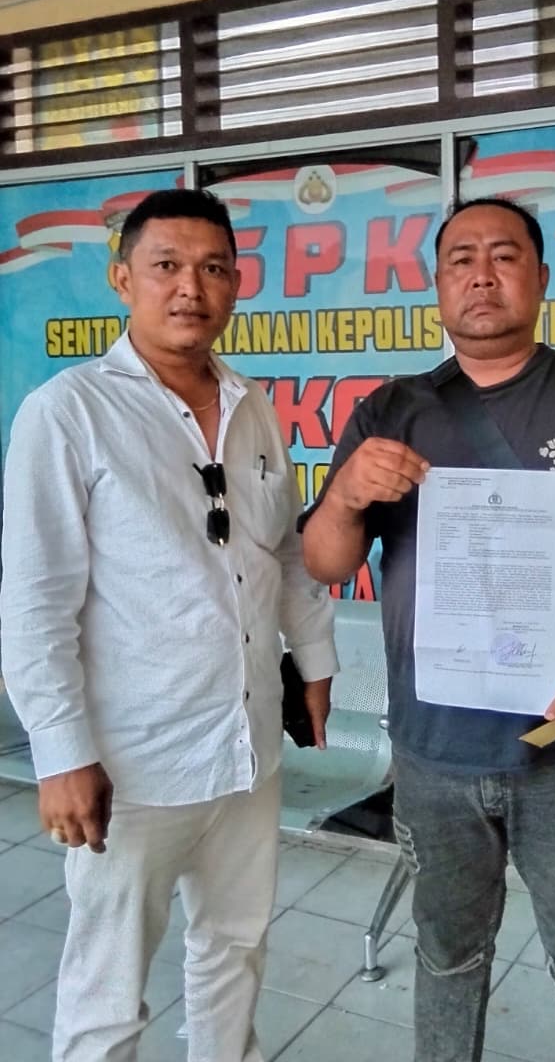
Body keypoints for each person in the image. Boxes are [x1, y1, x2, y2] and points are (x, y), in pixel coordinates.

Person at [301, 195, 555, 1062]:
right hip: (435, 753)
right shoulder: (393, 410)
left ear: (542, 277)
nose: (482, 275)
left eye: (505, 256)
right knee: (446, 957)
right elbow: (326, 563)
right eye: (462, 260)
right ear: (437, 286)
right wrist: (345, 496)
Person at [0, 188, 337, 1062]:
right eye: (166, 266)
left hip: (247, 746)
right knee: (108, 990)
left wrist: (315, 662)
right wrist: (61, 754)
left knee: (234, 949)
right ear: (122, 279)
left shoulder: (253, 405)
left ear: (237, 284)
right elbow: (34, 599)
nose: (191, 287)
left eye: (214, 268)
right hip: (132, 761)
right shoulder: (68, 412)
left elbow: (282, 549)